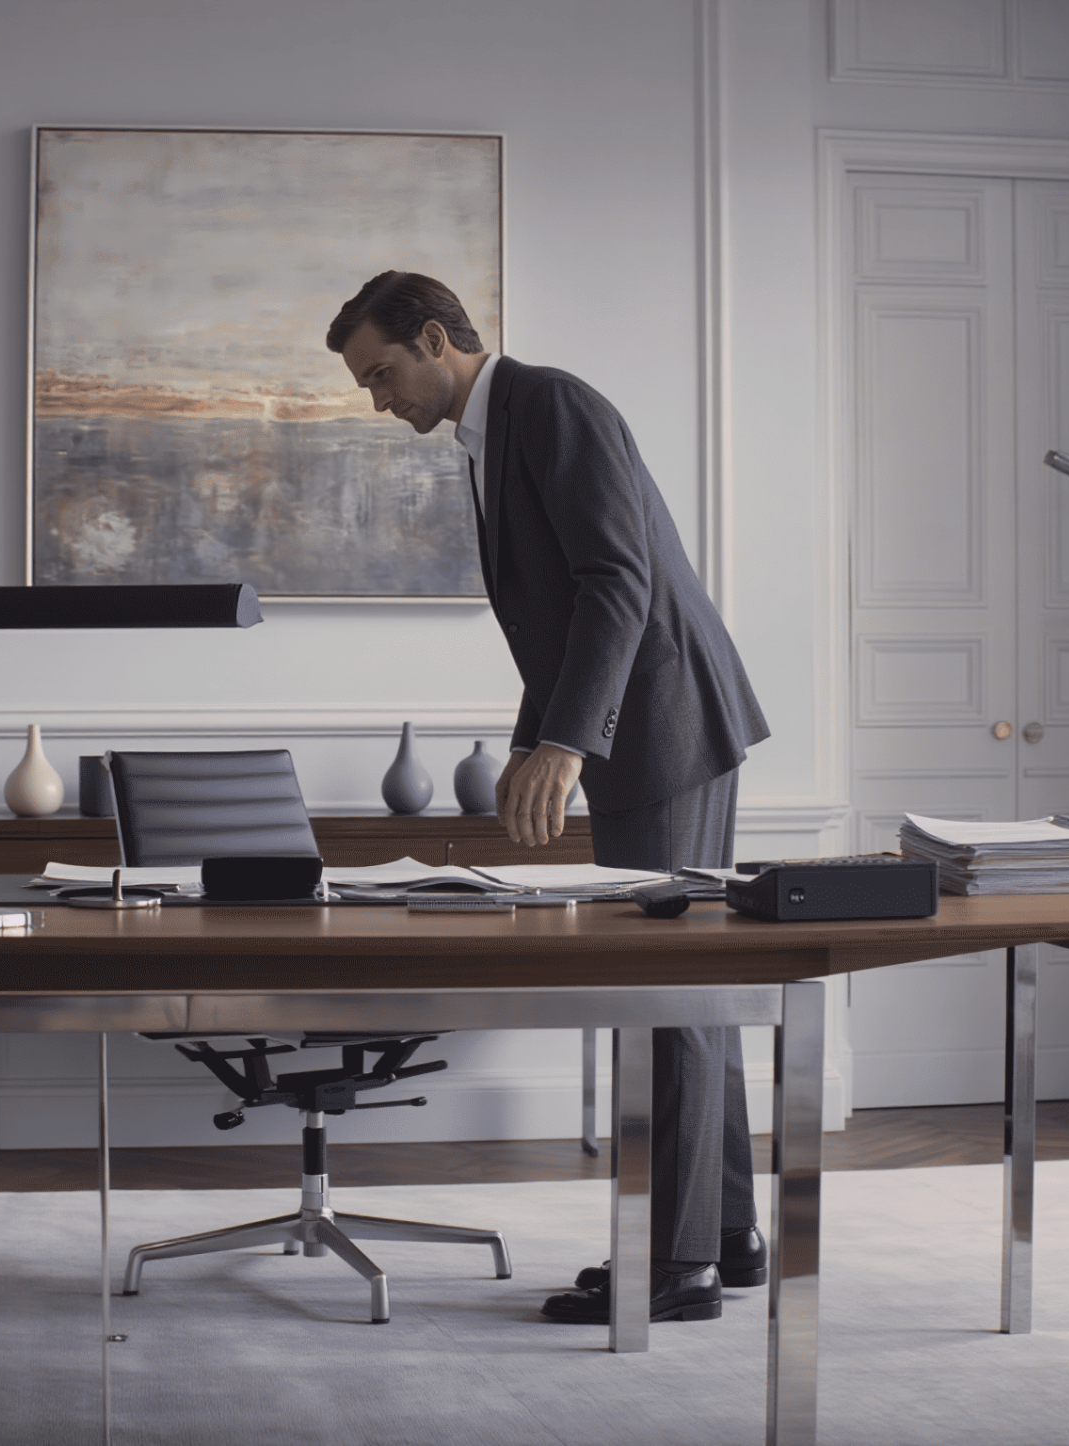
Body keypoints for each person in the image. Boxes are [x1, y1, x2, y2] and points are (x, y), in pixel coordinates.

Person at [327, 271, 772, 1324]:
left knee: (668, 995)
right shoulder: (498, 430)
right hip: (646, 731)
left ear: (436, 339)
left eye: (382, 372)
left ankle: (675, 1268)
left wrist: (568, 745)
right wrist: (538, 737)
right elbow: (559, 613)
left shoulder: (553, 402)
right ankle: (728, 1237)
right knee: (689, 992)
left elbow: (618, 581)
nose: (377, 400)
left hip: (664, 728)